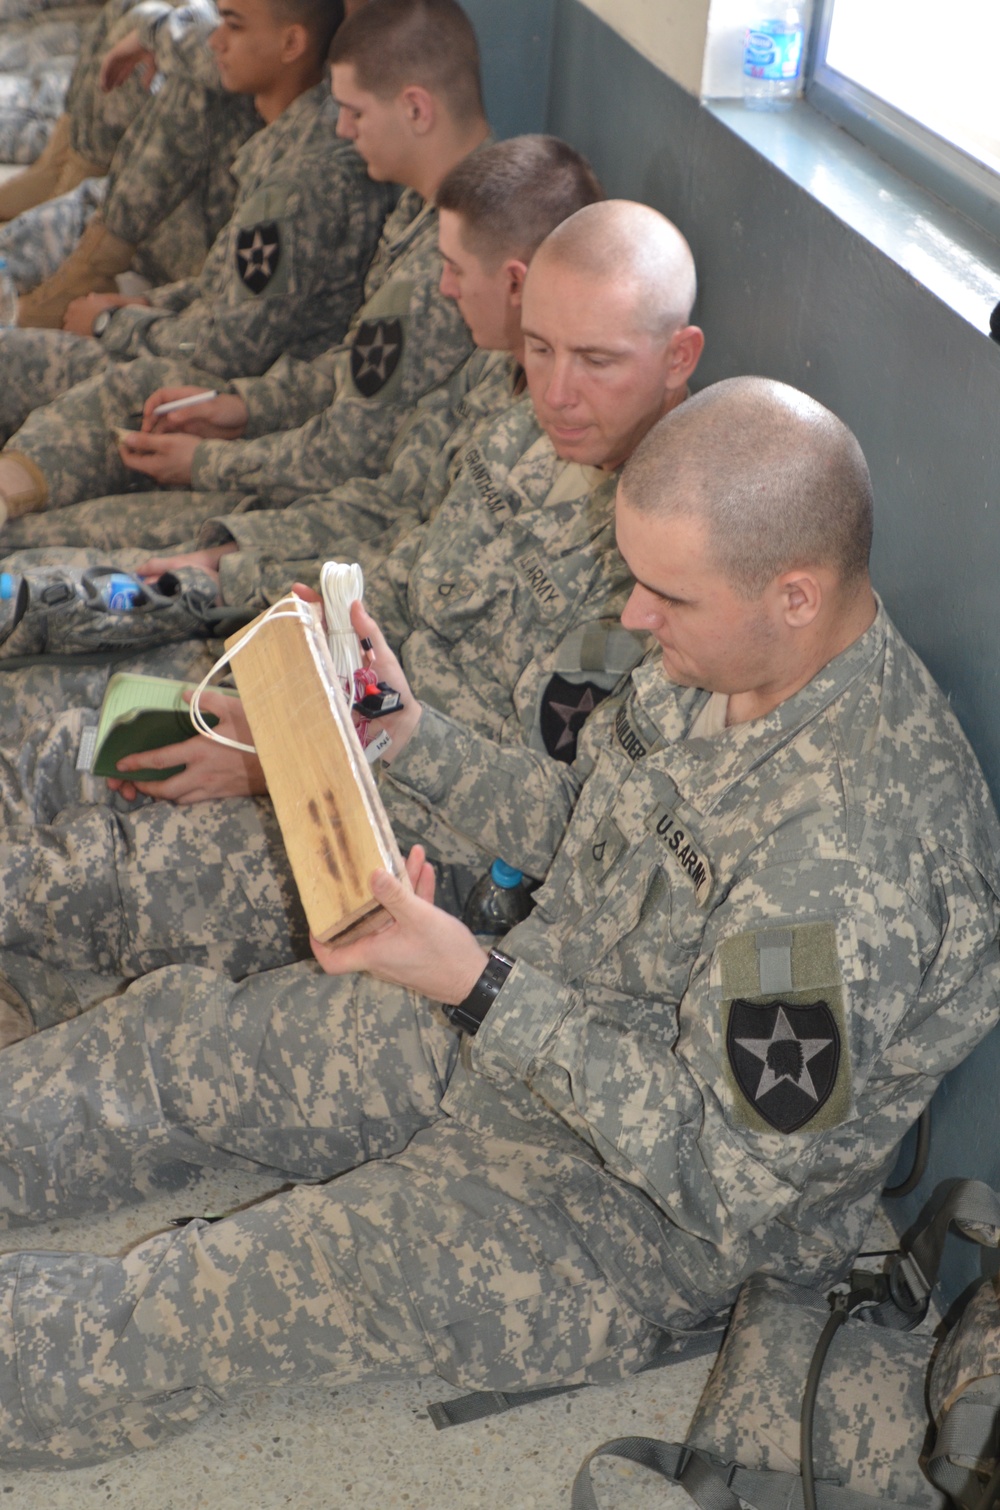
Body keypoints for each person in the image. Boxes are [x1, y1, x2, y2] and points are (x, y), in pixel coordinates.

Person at [0, 378, 993, 1467]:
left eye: (667, 595)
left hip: (628, 1222)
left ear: (795, 594)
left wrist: (476, 984)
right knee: (177, 1048)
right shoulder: (723, 657)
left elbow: (732, 1184)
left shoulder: (855, 859)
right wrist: (409, 737)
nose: (630, 618)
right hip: (527, 1021)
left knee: (207, 1293)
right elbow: (594, 825)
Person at [0, 197, 701, 997]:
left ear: (679, 356)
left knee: (65, 878)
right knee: (66, 751)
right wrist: (281, 718)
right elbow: (402, 590)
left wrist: (291, 764)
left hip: (412, 858)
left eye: (597, 361)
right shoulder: (523, 443)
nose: (557, 391)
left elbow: (562, 835)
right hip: (335, 742)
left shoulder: (686, 576)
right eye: (538, 349)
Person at [0, 0, 482, 540]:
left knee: (38, 558)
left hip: (315, 518)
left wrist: (205, 459)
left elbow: (338, 446)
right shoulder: (428, 214)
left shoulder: (438, 262)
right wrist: (241, 408)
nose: (342, 129)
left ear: (416, 110)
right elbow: (345, 371)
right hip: (286, 441)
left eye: (356, 113)